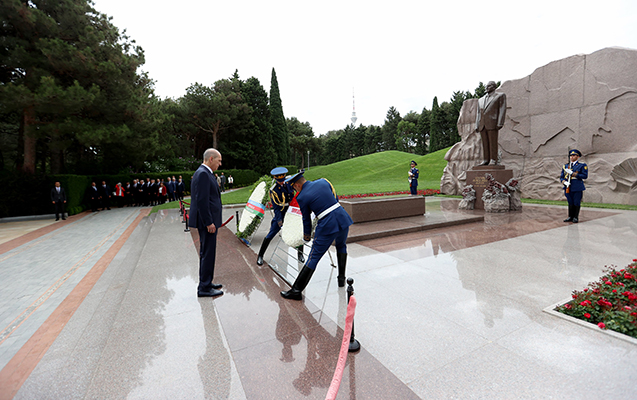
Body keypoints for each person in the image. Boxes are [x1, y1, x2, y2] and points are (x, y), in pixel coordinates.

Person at [281, 171, 353, 301]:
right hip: (342, 217)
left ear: (297, 185)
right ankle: (341, 280)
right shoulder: (323, 181)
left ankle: (296, 290)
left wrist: (306, 236)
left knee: (313, 257)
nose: (295, 190)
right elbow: (335, 198)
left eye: (294, 188)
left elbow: (306, 219)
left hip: (327, 224)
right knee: (341, 246)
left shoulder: (301, 197)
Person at [189, 148, 224, 297]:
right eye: (218, 161)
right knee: (208, 253)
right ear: (211, 159)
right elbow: (202, 201)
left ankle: (207, 282)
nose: (220, 164)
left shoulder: (204, 173)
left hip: (207, 220)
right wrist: (209, 222)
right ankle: (204, 287)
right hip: (207, 222)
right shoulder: (203, 174)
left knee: (208, 253)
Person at [256, 167, 305, 266]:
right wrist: (280, 221)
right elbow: (276, 208)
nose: (282, 182)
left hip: (291, 212)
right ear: (275, 178)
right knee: (270, 234)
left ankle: (300, 254)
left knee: (299, 232)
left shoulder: (289, 183)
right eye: (280, 181)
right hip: (281, 213)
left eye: (283, 180)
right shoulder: (273, 190)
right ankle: (260, 255)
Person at [475, 81, 507, 166]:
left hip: (492, 123)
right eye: (486, 86)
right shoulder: (480, 100)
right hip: (482, 124)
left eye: (489, 86)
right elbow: (478, 113)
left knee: (493, 142)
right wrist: (477, 124)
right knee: (485, 143)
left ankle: (493, 159)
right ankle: (486, 159)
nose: (487, 87)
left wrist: (500, 122)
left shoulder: (500, 96)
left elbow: (502, 109)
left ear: (494, 87)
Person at [560, 149, 588, 223]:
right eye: (571, 155)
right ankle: (570, 216)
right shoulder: (566, 166)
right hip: (568, 187)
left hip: (577, 187)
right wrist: (564, 182)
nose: (572, 157)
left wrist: (573, 173)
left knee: (576, 202)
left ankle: (575, 217)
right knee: (570, 202)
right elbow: (562, 177)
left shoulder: (582, 165)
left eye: (574, 155)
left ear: (578, 157)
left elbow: (585, 176)